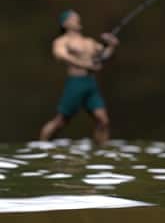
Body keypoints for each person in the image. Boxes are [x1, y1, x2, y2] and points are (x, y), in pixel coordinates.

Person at [39, 10, 120, 145]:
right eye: (73, 18)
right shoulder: (62, 41)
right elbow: (61, 55)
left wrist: (111, 45)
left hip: (91, 84)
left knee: (103, 120)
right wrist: (85, 65)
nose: (77, 19)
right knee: (61, 121)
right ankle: (42, 144)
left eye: (77, 17)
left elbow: (103, 56)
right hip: (76, 83)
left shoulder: (89, 42)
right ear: (65, 24)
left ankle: (101, 149)